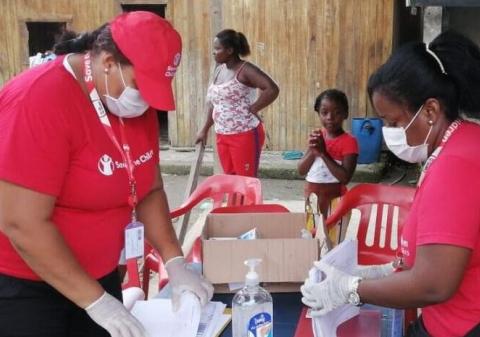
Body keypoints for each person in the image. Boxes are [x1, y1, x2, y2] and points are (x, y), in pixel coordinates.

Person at [300, 31, 480, 337]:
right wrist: (377, 273)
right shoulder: (466, 141)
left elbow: (432, 284)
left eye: (394, 123)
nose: (389, 133)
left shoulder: (457, 167)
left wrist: (351, 289)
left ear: (430, 111)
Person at [0, 11, 213, 337]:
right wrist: (96, 302)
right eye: (142, 86)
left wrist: (175, 262)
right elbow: (21, 221)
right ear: (108, 62)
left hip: (99, 278)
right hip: (28, 290)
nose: (145, 102)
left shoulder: (129, 104)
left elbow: (149, 189)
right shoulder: (38, 100)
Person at [196, 29, 279, 177]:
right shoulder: (219, 70)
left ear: (230, 50)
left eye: (217, 49)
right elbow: (214, 103)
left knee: (245, 181)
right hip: (222, 134)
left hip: (244, 133)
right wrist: (204, 129)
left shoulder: (245, 70)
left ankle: (248, 202)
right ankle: (234, 202)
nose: (214, 52)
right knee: (231, 179)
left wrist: (255, 108)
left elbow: (272, 89)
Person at [297, 89, 358, 215]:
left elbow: (345, 178)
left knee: (333, 234)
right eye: (324, 112)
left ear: (345, 114)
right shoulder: (318, 137)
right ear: (318, 113)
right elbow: (301, 170)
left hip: (336, 201)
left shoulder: (349, 141)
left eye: (337, 113)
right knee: (313, 233)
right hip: (312, 199)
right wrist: (314, 152)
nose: (330, 117)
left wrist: (323, 153)